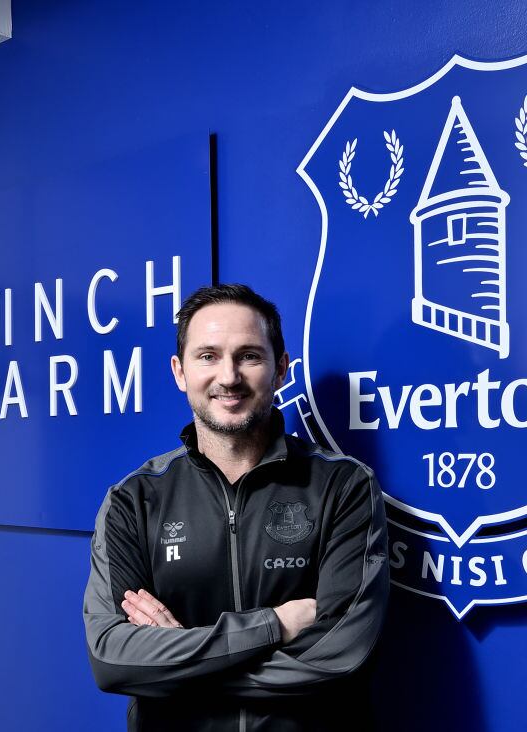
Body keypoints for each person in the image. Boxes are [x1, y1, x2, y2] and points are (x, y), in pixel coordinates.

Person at [83, 283, 389, 731]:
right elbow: (113, 659)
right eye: (207, 356)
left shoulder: (343, 486)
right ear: (179, 371)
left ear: (281, 369)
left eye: (249, 356)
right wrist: (273, 626)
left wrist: (179, 662)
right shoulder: (134, 500)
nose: (228, 376)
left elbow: (340, 659)